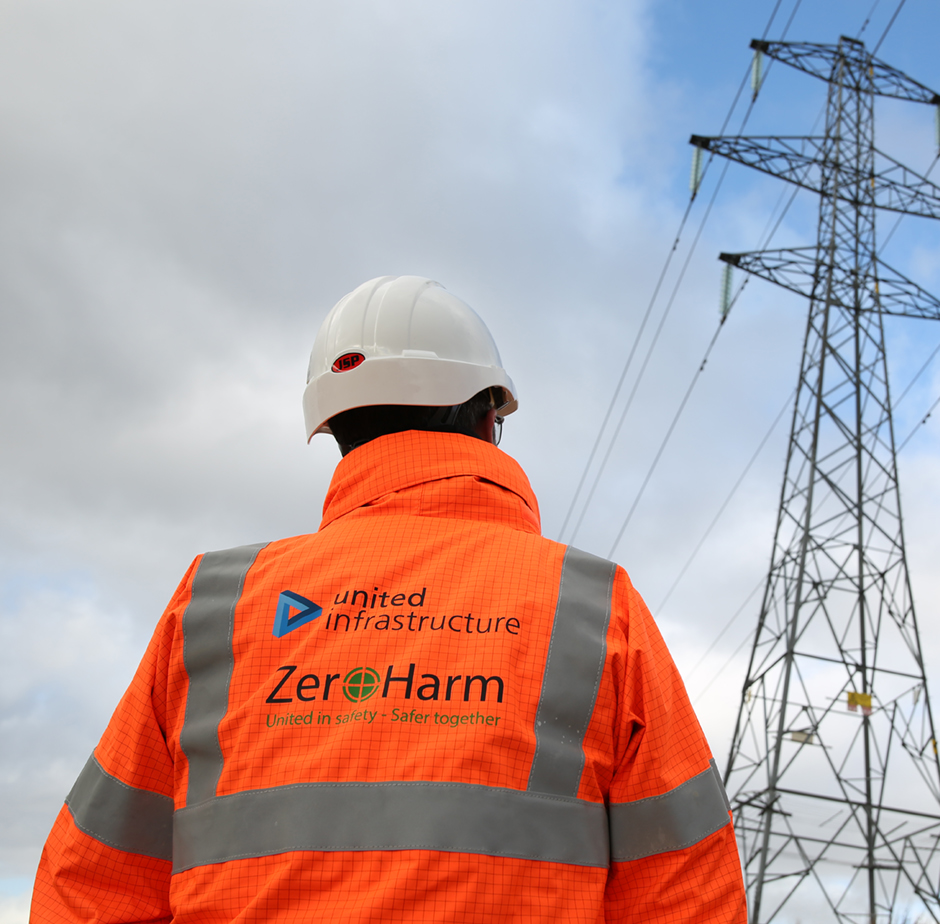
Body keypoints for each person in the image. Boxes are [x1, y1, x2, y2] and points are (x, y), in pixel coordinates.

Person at [32, 275, 747, 923]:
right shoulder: (591, 604)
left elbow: (91, 885)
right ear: (488, 419)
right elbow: (685, 891)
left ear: (336, 431)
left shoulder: (216, 601)